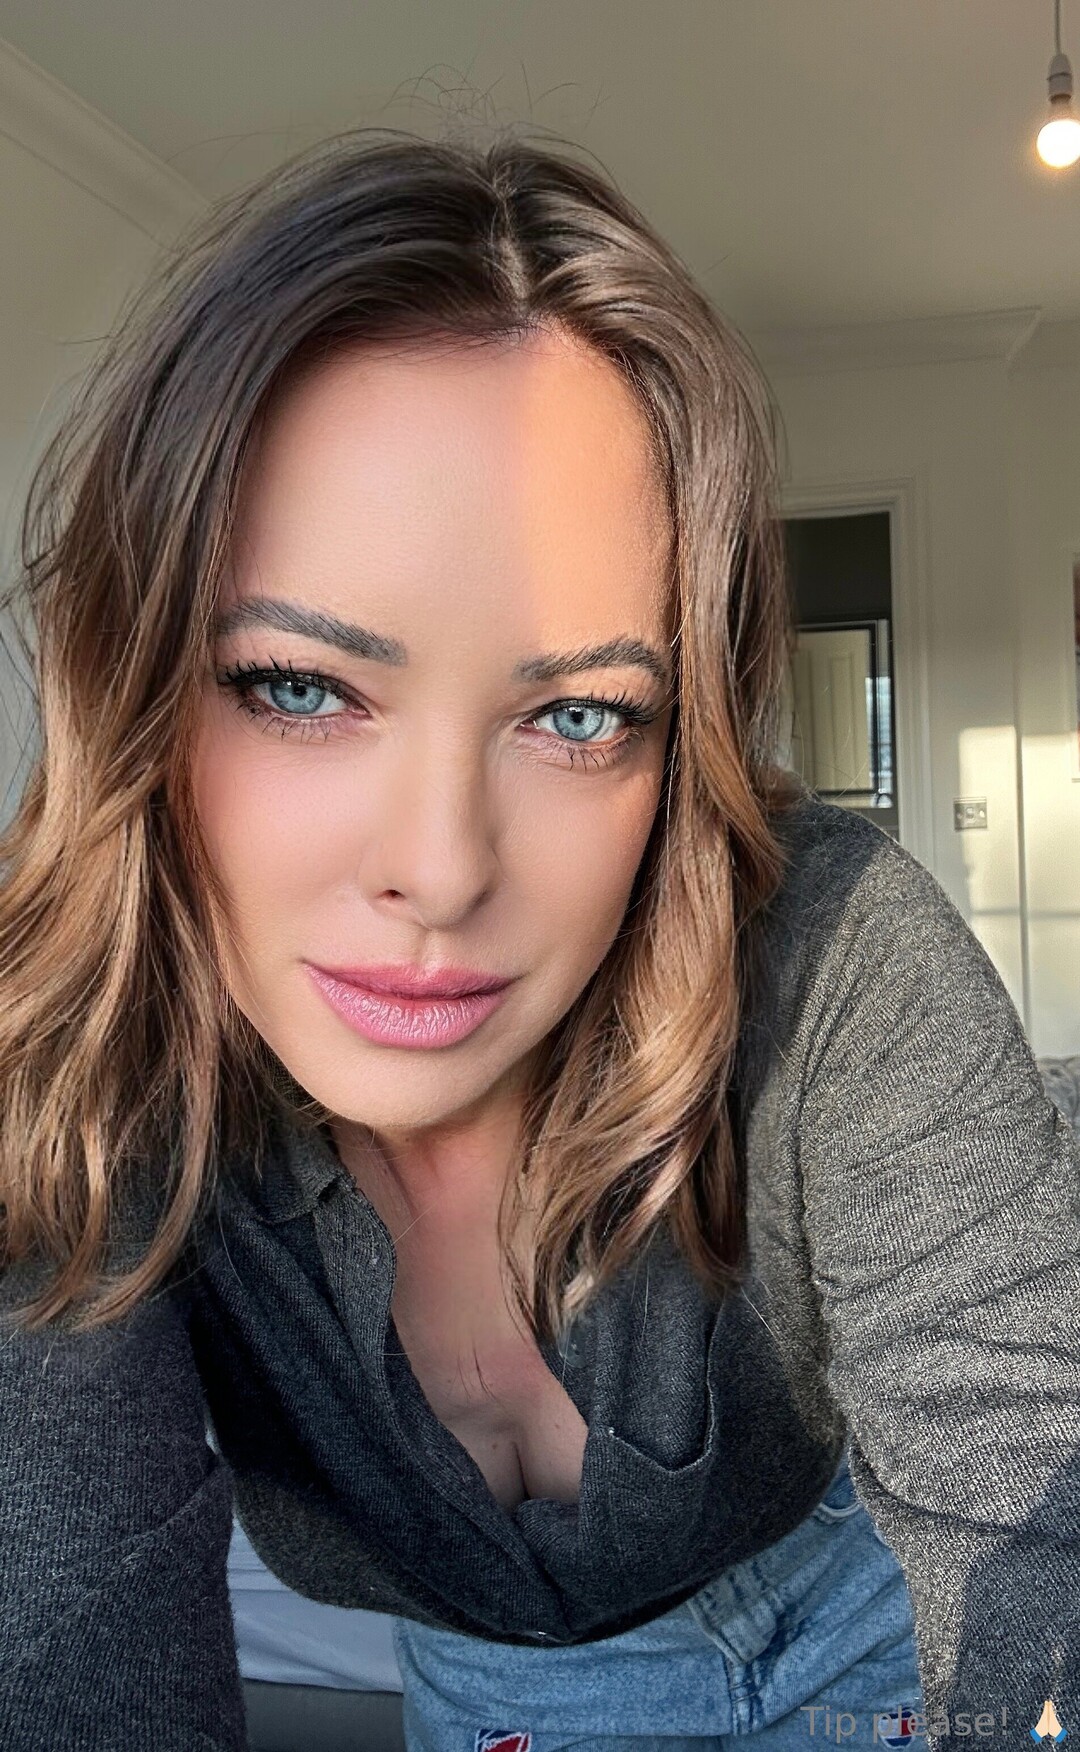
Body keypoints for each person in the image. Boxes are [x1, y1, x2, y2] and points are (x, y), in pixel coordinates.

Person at [1, 126, 1078, 1752]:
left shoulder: (829, 953)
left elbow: (1032, 1501)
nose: (440, 871)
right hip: (501, 1695)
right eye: (301, 686)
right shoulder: (72, 1068)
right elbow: (67, 1639)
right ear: (139, 682)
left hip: (858, 1617)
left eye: (578, 714)